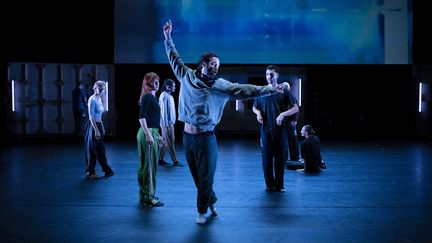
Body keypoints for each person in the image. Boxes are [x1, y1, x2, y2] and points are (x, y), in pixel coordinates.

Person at [163, 20, 281, 224]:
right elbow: (174, 57)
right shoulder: (186, 76)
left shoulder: (221, 86)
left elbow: (246, 90)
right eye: (212, 64)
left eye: (217, 65)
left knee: (206, 177)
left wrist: (270, 89)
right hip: (187, 137)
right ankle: (211, 200)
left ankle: (201, 211)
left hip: (206, 139)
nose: (215, 68)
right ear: (203, 64)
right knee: (198, 178)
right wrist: (168, 38)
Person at [253, 65, 299, 193]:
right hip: (265, 129)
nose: (269, 76)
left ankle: (280, 185)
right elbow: (254, 107)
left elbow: (295, 108)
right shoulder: (262, 91)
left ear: (277, 75)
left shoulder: (283, 91)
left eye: (272, 74)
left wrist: (283, 114)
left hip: (280, 129)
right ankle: (269, 185)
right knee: (266, 159)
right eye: (267, 74)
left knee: (279, 159)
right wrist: (257, 113)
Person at [137, 72, 165, 207]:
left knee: (148, 165)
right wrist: (148, 134)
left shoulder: (152, 96)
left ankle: (145, 195)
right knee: (148, 166)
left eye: (157, 81)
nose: (156, 84)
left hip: (151, 131)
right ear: (147, 84)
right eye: (153, 82)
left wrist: (157, 135)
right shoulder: (148, 96)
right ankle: (148, 197)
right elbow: (141, 117)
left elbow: (151, 119)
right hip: (146, 132)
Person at [84, 80, 115, 179]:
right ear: (95, 88)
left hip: (99, 125)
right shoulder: (92, 99)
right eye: (99, 88)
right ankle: (90, 171)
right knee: (92, 150)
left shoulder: (99, 99)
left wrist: (102, 127)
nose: (101, 90)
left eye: (103, 89)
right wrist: (96, 130)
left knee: (100, 149)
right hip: (93, 126)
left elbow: (99, 116)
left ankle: (106, 169)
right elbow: (91, 117)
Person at [158, 79, 183, 167]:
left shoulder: (169, 96)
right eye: (173, 86)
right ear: (168, 87)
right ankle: (175, 160)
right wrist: (166, 125)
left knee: (165, 141)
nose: (175, 87)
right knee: (170, 141)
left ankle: (160, 159)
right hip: (167, 123)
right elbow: (164, 112)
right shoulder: (164, 96)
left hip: (169, 122)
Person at [281, 82, 301, 163]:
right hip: (283, 122)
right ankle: (284, 159)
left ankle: (295, 157)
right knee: (284, 141)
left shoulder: (291, 97)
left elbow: (296, 109)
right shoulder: (281, 97)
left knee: (293, 140)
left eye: (282, 87)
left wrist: (295, 119)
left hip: (290, 122)